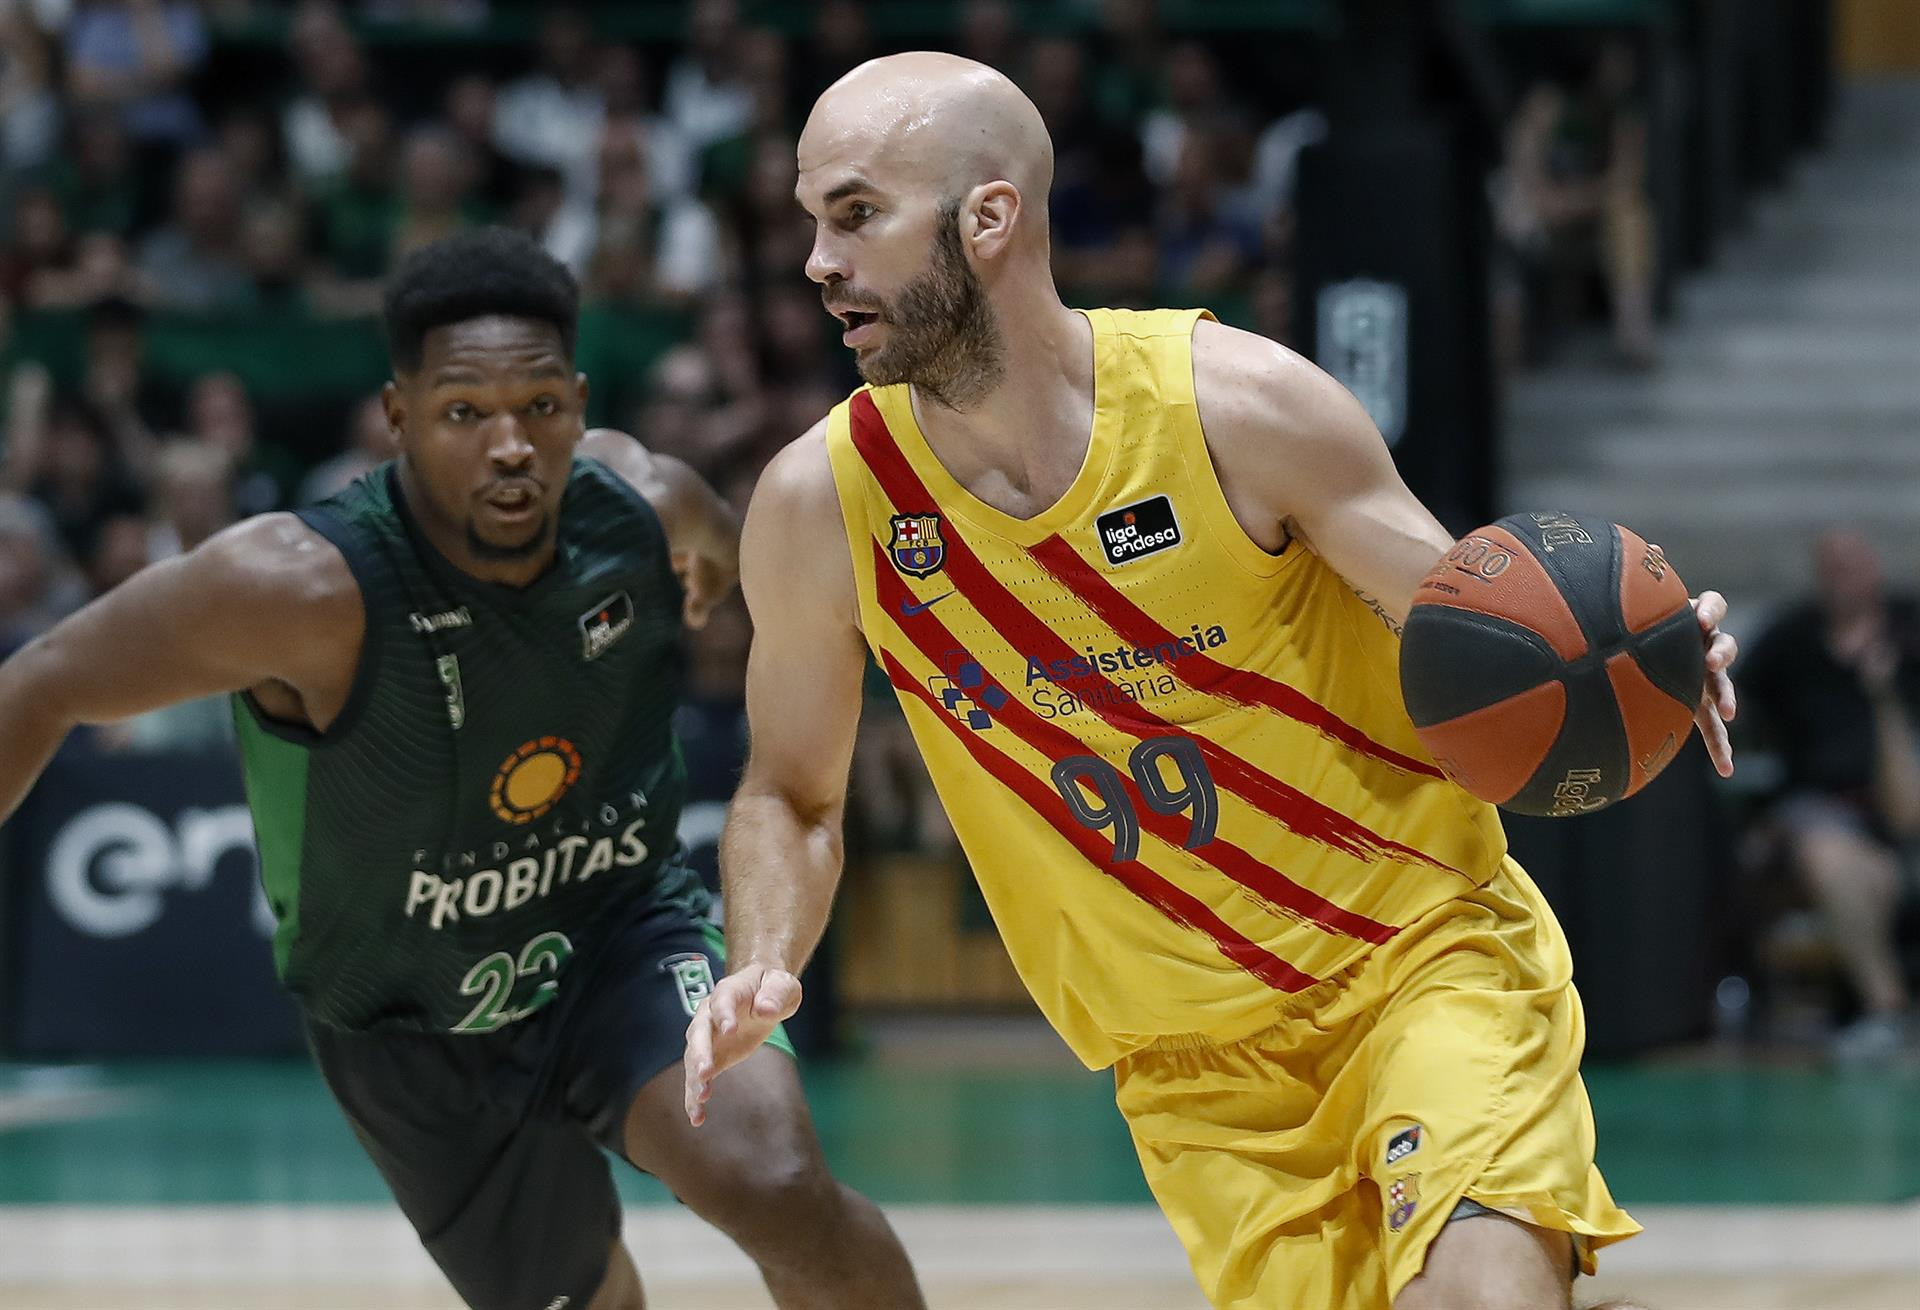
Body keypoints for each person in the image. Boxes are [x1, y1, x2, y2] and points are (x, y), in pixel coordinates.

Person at [682, 54, 1739, 1310]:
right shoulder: (819, 506)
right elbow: (791, 794)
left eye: (854, 214)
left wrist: (1642, 649)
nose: (815, 259)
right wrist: (762, 957)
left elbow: (1478, 619)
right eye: (810, 221)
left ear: (990, 217)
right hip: (1194, 1076)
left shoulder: (1240, 408)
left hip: (1417, 961)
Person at [0, 227, 925, 1310]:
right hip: (403, 1026)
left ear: (579, 401)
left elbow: (711, 529)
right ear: (398, 417)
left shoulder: (636, 499)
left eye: (540, 406)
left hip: (618, 939)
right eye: (463, 413)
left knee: (777, 1183)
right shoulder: (294, 587)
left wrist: (717, 579)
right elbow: (45, 680)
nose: (510, 445)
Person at [1740, 529, 1919, 1062]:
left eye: (1854, 563)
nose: (1844, 575)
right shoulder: (1792, 637)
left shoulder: (1910, 629)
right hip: (1817, 812)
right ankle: (1886, 1010)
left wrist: (1880, 690)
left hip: (1897, 811)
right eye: (1832, 566)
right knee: (1831, 859)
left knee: (1878, 853)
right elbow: (1736, 700)